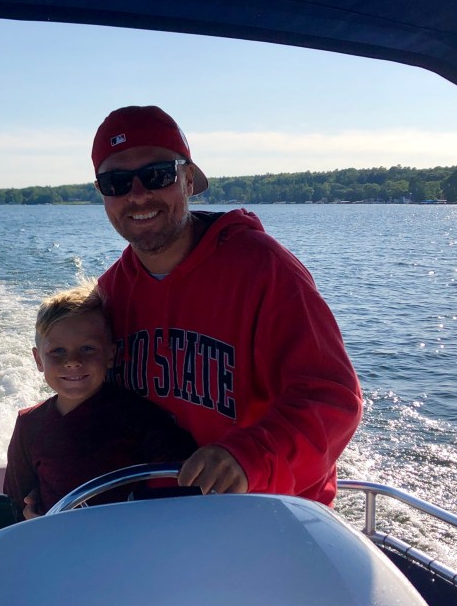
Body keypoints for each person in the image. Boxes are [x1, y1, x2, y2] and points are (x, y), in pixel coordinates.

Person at [92, 105, 362, 505]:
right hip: (151, 519)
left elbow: (333, 399)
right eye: (116, 182)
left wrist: (246, 457)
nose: (137, 194)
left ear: (186, 180)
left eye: (157, 175)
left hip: (261, 513)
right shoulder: (112, 290)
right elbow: (94, 409)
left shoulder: (264, 270)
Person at [3, 280, 196, 518]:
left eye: (87, 349)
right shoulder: (28, 425)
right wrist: (28, 519)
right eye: (58, 351)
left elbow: (189, 470)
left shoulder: (136, 416)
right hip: (55, 545)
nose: (72, 361)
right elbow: (12, 503)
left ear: (110, 355)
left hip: (125, 545)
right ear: (38, 360)